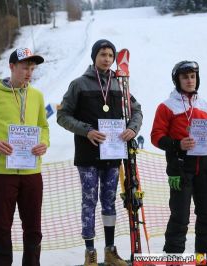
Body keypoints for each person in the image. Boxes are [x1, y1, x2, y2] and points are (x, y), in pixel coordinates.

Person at [57, 39, 142, 266]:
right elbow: (63, 116)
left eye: (111, 55)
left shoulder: (120, 84)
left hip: (113, 154)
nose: (107, 59)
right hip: (88, 155)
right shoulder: (79, 84)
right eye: (103, 54)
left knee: (109, 201)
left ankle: (110, 251)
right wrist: (87, 131)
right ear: (94, 56)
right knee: (89, 201)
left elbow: (137, 110)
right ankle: (90, 252)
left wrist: (132, 129)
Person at [0, 48, 49, 266]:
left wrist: (44, 143)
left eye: (32, 69)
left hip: (32, 172)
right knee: (1, 226)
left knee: (33, 227)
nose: (29, 73)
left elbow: (43, 126)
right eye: (25, 67)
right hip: (3, 173)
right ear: (12, 67)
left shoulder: (37, 95)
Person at [150, 60, 207, 266]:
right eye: (185, 77)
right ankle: (174, 257)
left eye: (193, 76)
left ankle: (204, 256)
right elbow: (156, 136)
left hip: (205, 166)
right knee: (180, 214)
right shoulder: (166, 106)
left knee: (206, 212)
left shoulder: (205, 105)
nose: (190, 80)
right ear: (177, 80)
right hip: (180, 167)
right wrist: (178, 144)